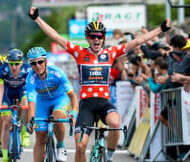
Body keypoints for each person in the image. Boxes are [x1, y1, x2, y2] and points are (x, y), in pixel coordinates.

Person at [28, 6, 170, 162]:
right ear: (87, 38)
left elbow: (138, 41)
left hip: (104, 103)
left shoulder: (110, 53)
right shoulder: (79, 53)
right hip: (86, 105)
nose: (96, 39)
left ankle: (108, 157)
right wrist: (37, 19)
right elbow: (56, 36)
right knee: (81, 146)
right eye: (93, 36)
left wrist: (160, 29)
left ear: (103, 38)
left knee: (115, 124)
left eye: (99, 36)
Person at [25, 47, 79, 162]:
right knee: (40, 137)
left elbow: (73, 95)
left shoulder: (57, 73)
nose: (37, 65)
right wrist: (31, 120)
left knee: (57, 119)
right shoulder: (30, 78)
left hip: (60, 98)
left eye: (40, 62)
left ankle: (60, 146)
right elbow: (31, 103)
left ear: (46, 61)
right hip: (42, 101)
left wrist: (74, 112)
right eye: (33, 63)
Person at [0, 49, 31, 162]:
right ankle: (5, 155)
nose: (14, 67)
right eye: (11, 64)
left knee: (26, 104)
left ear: (22, 63)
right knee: (6, 123)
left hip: (22, 91)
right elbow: (0, 91)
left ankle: (25, 132)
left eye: (17, 64)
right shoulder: (2, 70)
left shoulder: (28, 69)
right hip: (8, 94)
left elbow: (31, 89)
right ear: (7, 63)